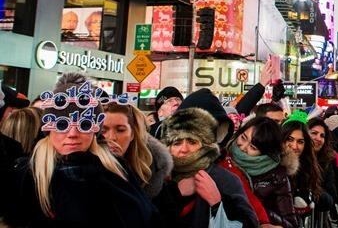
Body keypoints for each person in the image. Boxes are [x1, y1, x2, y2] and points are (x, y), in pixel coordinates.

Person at [4, 83, 160, 227]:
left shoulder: (117, 171)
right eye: (62, 124)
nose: (72, 134)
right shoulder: (25, 175)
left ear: (95, 130)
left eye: (84, 125)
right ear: (48, 129)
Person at [157, 107, 259, 227]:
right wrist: (176, 194)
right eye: (177, 143)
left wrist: (217, 203)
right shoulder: (156, 176)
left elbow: (249, 223)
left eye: (192, 142)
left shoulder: (224, 179)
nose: (184, 149)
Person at [222, 116, 297, 228]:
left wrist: (262, 215)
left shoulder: (276, 176)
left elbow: (291, 224)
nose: (243, 147)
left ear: (265, 153)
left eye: (252, 147)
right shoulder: (222, 157)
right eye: (243, 138)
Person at [102, 102, 173, 199]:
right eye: (103, 131)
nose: (111, 138)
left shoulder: (153, 171)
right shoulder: (83, 171)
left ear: (132, 134)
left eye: (120, 130)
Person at [281, 112, 322, 219]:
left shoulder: (308, 166)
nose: (294, 146)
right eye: (290, 139)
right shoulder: (274, 166)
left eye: (300, 142)